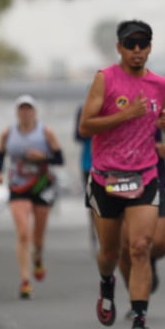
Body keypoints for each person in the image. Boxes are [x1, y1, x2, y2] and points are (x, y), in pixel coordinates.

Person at [78, 19, 165, 329]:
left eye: (143, 45)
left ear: (149, 47)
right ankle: (107, 284)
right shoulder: (105, 79)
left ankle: (139, 321)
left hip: (145, 175)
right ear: (119, 48)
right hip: (106, 178)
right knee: (109, 253)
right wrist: (125, 114)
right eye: (130, 45)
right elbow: (85, 125)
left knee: (140, 246)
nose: (137, 51)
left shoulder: (159, 84)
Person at [0, 94, 63, 300]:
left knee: (38, 235)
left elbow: (59, 159)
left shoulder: (45, 132)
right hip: (18, 185)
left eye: (29, 109)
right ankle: (25, 280)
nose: (25, 113)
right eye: (22, 109)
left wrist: (43, 156)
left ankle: (38, 256)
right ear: (17, 112)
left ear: (34, 112)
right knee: (23, 232)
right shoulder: (8, 133)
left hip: (42, 185)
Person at [119, 128, 165, 299]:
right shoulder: (111, 104)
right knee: (126, 247)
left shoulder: (157, 103)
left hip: (155, 182)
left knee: (160, 244)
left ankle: (148, 260)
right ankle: (135, 298)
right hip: (121, 182)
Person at [74, 104, 98, 258]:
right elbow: (77, 136)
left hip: (116, 163)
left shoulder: (120, 105)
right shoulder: (83, 109)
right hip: (89, 164)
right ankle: (95, 234)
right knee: (94, 203)